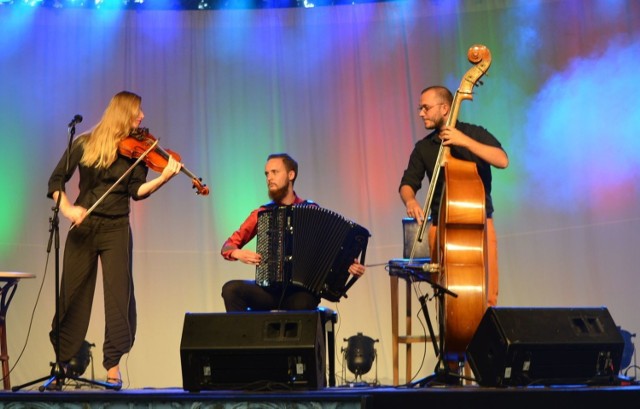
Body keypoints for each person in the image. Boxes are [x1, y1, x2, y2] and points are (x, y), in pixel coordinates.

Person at [47, 91, 182, 387]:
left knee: (119, 296)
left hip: (116, 228)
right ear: (123, 113)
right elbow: (56, 181)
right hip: (83, 227)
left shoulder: (140, 151)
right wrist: (69, 209)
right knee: (72, 293)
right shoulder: (84, 143)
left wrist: (162, 178)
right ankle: (66, 358)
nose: (142, 116)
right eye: (138, 111)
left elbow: (137, 191)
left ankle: (113, 366)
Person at [399, 85, 509, 307]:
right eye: (420, 108)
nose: (421, 113)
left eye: (426, 108)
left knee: (486, 293)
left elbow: (502, 160)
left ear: (445, 108)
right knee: (444, 295)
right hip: (440, 227)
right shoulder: (424, 147)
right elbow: (407, 184)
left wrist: (464, 141)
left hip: (479, 224)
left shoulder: (474, 133)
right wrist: (410, 200)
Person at [221, 153, 365, 312]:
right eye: (267, 174)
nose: (269, 178)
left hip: (300, 293)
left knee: (303, 303)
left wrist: (349, 266)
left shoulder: (311, 210)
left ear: (291, 175)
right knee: (230, 289)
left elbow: (331, 253)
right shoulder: (262, 213)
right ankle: (245, 337)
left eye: (274, 172)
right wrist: (237, 253)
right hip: (268, 291)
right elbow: (228, 246)